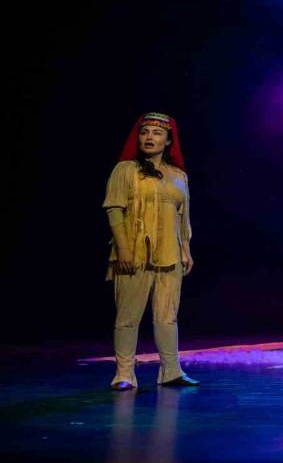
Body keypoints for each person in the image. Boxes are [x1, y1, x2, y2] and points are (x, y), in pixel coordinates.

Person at [103, 112, 198, 391]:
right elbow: (114, 210)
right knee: (128, 316)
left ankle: (171, 371)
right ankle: (124, 373)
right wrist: (123, 250)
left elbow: (183, 217)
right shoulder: (125, 170)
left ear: (168, 140)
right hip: (133, 252)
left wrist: (186, 250)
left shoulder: (178, 175)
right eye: (145, 132)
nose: (149, 137)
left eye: (157, 133)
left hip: (170, 253)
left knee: (167, 316)